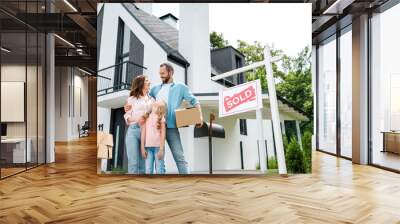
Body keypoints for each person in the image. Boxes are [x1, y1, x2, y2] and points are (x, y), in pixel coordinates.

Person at [126, 63, 203, 174]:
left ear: (171, 72)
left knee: (179, 157)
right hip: (154, 128)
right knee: (154, 161)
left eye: (163, 73)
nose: (161, 76)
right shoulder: (155, 89)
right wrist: (128, 106)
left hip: (171, 127)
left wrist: (199, 116)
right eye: (159, 73)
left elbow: (194, 101)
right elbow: (143, 100)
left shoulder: (181, 87)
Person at [124, 75, 153, 174]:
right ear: (141, 83)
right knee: (133, 162)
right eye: (147, 80)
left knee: (143, 163)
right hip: (133, 130)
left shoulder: (151, 100)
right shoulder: (132, 99)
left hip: (147, 132)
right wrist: (138, 118)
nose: (149, 82)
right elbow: (127, 117)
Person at [140, 101, 167, 174]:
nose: (155, 104)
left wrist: (161, 149)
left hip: (158, 148)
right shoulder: (146, 117)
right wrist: (142, 148)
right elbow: (143, 134)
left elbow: (163, 134)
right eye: (154, 104)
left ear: (160, 109)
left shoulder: (161, 118)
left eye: (157, 105)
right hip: (148, 148)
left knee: (159, 169)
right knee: (148, 170)